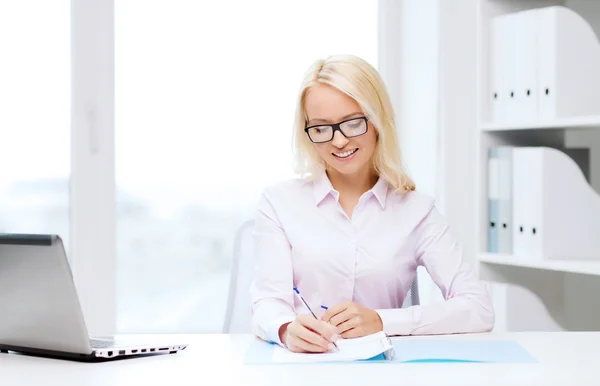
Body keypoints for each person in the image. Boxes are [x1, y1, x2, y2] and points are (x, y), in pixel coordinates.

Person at [249, 54, 494, 353]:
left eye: (352, 123)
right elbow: (266, 303)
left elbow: (478, 308)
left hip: (381, 371)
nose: (338, 141)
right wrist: (286, 329)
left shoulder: (416, 210)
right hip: (304, 368)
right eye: (321, 128)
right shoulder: (279, 203)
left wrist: (381, 321)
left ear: (377, 121)